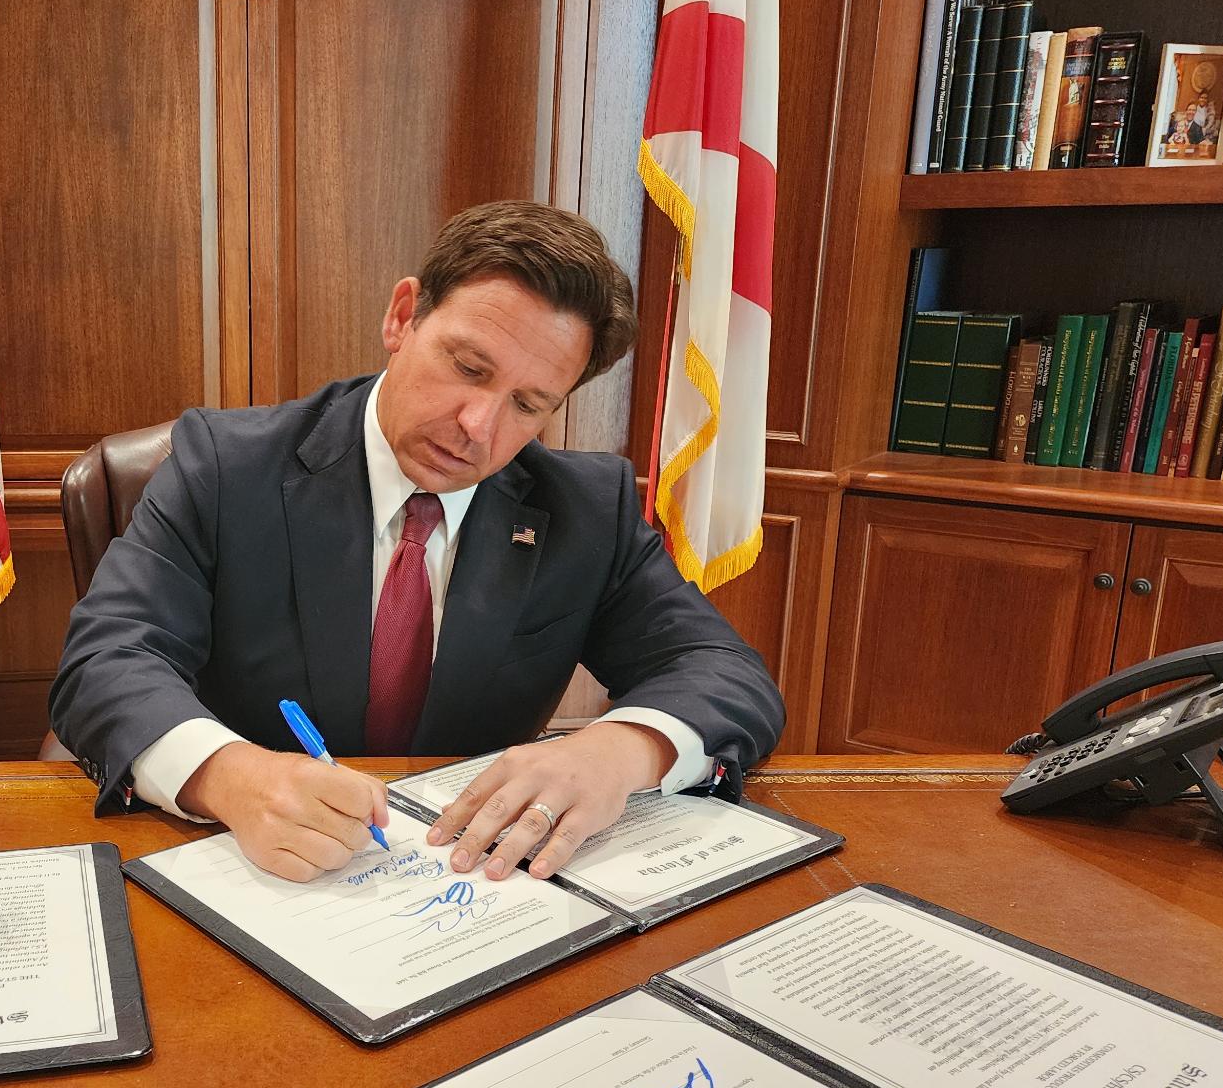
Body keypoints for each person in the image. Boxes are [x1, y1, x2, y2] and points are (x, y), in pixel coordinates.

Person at [49, 201, 784, 885]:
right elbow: (105, 660)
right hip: (246, 866)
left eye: (528, 404)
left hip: (463, 884)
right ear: (403, 317)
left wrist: (620, 752)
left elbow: (724, 673)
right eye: (468, 368)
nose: (477, 427)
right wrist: (227, 775)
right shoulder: (225, 467)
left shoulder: (585, 509)